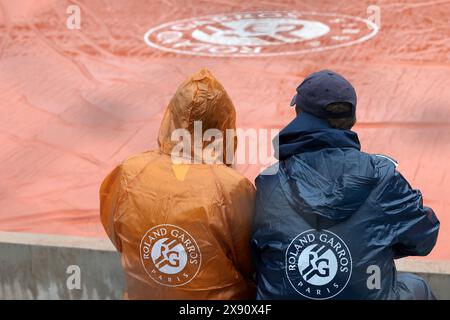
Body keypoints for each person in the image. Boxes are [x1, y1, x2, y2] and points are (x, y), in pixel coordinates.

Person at [251, 70, 440, 300]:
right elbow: (424, 238)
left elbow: (254, 254)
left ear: (299, 115)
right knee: (415, 286)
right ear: (352, 119)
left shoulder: (268, 183)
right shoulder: (383, 177)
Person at [100, 68, 255, 299]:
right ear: (224, 127)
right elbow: (250, 261)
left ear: (171, 117)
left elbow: (118, 233)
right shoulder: (232, 187)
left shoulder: (130, 171)